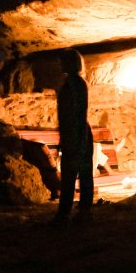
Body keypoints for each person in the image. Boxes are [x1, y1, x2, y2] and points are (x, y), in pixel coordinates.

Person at [52, 49, 94, 226]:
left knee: (71, 175)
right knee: (81, 174)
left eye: (62, 61)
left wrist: (74, 139)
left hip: (76, 134)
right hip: (77, 133)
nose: (59, 64)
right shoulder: (76, 83)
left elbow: (75, 113)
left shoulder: (73, 84)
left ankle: (66, 215)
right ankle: (82, 211)